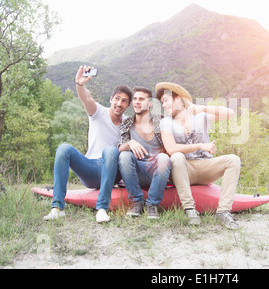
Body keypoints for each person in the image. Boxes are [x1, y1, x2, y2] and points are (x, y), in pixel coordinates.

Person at [44, 66, 132, 223]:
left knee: (111, 151)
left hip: (111, 169)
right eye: (117, 98)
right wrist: (80, 84)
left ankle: (102, 209)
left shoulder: (128, 123)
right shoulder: (98, 112)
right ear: (111, 99)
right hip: (90, 168)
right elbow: (87, 99)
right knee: (64, 148)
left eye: (124, 101)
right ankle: (57, 208)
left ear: (128, 105)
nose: (119, 103)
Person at [155, 82, 241, 229]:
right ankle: (190, 210)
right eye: (162, 102)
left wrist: (204, 108)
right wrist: (201, 145)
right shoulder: (165, 122)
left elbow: (230, 114)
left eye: (166, 100)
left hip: (206, 167)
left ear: (178, 99)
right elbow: (171, 148)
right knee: (176, 156)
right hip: (183, 169)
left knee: (233, 160)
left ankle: (223, 212)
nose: (163, 105)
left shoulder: (200, 115)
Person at [118, 87, 171, 219]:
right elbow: (119, 148)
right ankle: (136, 202)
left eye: (141, 99)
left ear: (150, 103)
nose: (137, 102)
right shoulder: (127, 124)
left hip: (157, 171)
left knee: (164, 157)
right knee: (124, 154)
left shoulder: (160, 121)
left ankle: (152, 204)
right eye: (135, 99)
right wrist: (129, 143)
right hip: (137, 172)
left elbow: (170, 147)